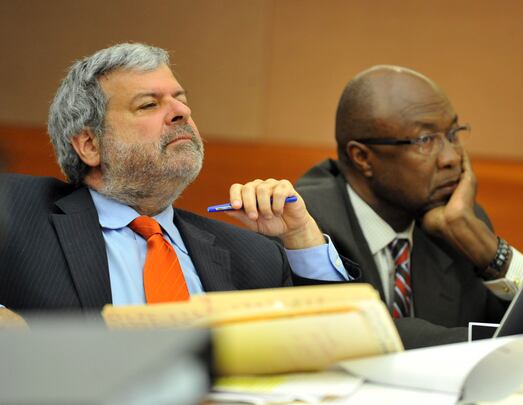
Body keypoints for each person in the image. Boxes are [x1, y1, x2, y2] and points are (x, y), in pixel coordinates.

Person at [0, 43, 357, 318]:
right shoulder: (14, 214)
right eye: (148, 105)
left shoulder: (253, 257)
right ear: (90, 145)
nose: (181, 112)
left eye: (180, 100)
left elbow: (335, 349)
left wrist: (300, 238)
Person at [296, 65, 523, 345]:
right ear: (363, 157)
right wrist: (497, 344)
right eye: (425, 140)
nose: (452, 157)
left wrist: (489, 251)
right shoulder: (303, 227)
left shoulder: (456, 225)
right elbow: (355, 340)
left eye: (453, 135)